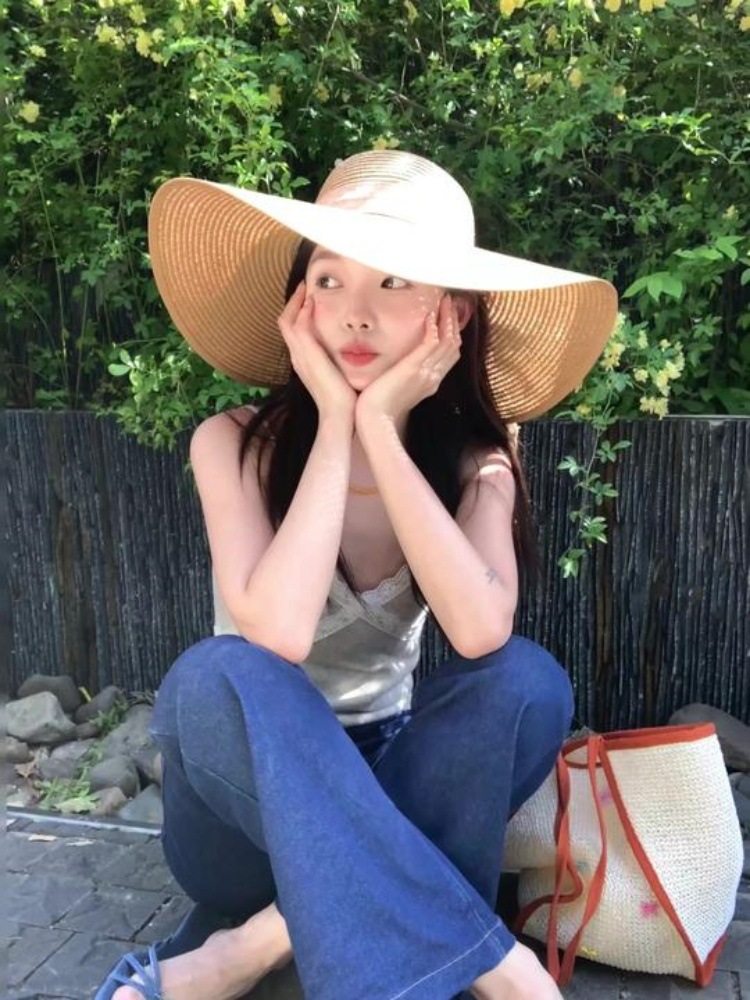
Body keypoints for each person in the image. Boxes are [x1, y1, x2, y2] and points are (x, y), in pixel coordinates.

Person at [96, 150, 618, 1000]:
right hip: (241, 801)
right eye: (329, 280)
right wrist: (336, 420)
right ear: (297, 302)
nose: (355, 315)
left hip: (391, 771)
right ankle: (495, 961)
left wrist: (381, 427)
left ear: (452, 314)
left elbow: (480, 630)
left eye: (394, 282)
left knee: (525, 680)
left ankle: (259, 943)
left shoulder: (478, 461)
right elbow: (278, 631)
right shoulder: (230, 443)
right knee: (218, 673)